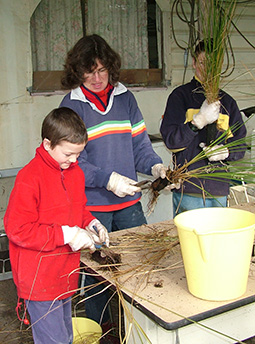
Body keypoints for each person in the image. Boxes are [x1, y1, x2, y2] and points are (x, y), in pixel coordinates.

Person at [59, 34, 168, 328]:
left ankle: (135, 328)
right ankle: (97, 330)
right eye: (89, 71)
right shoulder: (72, 105)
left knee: (138, 267)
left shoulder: (125, 98)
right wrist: (108, 180)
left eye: (102, 70)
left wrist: (155, 166)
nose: (96, 78)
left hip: (129, 204)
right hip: (92, 209)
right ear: (77, 71)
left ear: (111, 67)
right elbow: (72, 163)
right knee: (97, 278)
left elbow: (140, 146)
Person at [4, 107, 109, 344]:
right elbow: (17, 229)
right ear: (48, 144)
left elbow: (78, 208)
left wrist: (90, 222)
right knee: (55, 341)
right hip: (39, 279)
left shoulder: (75, 172)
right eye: (69, 154)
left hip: (65, 272)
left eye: (78, 155)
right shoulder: (29, 178)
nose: (74, 160)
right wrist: (66, 234)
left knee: (66, 336)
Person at [160, 39, 247, 217]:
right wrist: (197, 122)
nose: (209, 69)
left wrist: (225, 152)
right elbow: (171, 141)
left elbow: (240, 144)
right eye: (203, 63)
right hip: (188, 189)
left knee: (216, 241)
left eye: (214, 64)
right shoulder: (181, 97)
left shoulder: (228, 103)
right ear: (193, 62)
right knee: (190, 241)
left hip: (219, 189)